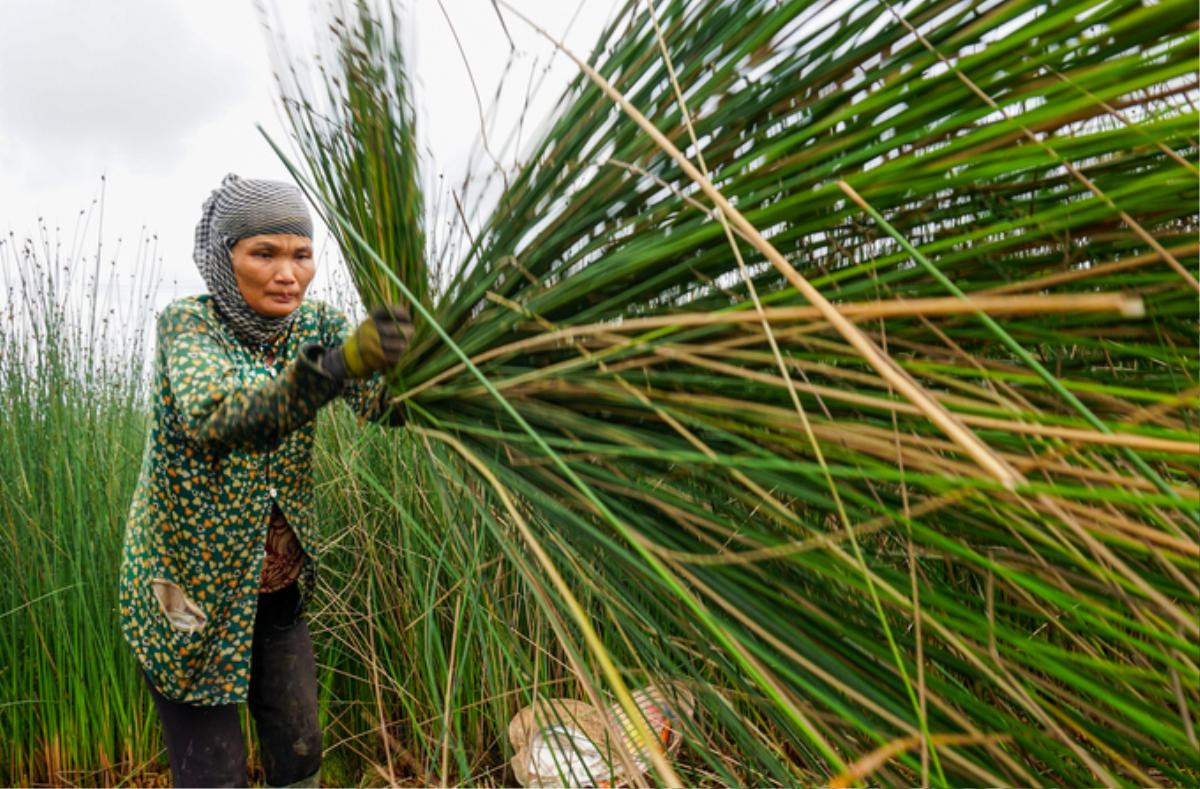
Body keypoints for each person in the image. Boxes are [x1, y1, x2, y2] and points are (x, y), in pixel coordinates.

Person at [118, 174, 412, 788]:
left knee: (300, 755)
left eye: (301, 255)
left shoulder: (318, 325)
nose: (288, 274)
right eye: (264, 254)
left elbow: (381, 405)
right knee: (214, 775)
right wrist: (336, 367)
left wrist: (427, 365)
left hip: (276, 594)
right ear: (225, 259)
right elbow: (227, 416)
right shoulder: (188, 328)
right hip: (187, 597)